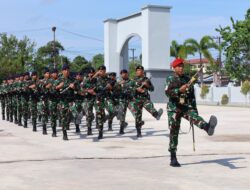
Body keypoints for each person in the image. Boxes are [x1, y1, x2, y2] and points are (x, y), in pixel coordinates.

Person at [165, 58, 218, 167]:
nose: (181, 68)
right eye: (178, 66)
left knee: (194, 116)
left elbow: (192, 97)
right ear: (174, 68)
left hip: (185, 106)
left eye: (182, 66)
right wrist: (179, 90)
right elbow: (167, 92)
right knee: (174, 132)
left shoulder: (188, 79)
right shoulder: (170, 78)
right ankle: (173, 157)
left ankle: (207, 127)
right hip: (174, 108)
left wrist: (194, 110)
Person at [130, 66, 163, 137]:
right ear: (136, 71)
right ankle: (139, 132)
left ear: (143, 71)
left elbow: (152, 89)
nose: (139, 71)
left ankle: (156, 115)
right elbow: (129, 89)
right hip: (136, 100)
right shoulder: (133, 80)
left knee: (150, 107)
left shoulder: (146, 79)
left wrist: (147, 85)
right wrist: (136, 89)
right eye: (138, 70)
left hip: (145, 99)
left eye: (140, 70)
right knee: (138, 116)